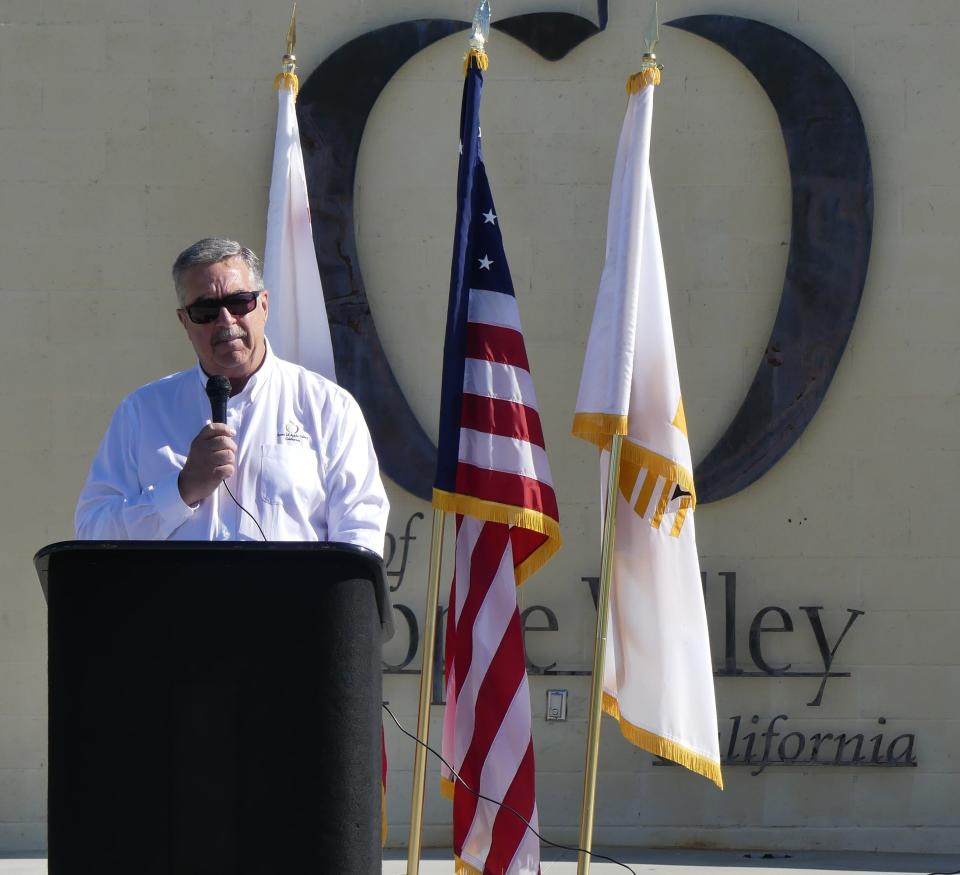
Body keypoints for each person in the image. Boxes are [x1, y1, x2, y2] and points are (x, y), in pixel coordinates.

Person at [75, 237, 389, 554]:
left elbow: (360, 532)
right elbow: (92, 532)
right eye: (205, 310)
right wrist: (181, 490)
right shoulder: (143, 412)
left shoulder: (327, 408)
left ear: (264, 305)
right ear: (184, 321)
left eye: (240, 303)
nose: (226, 320)